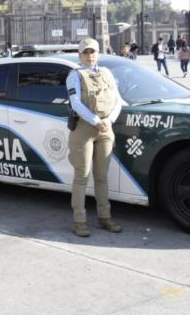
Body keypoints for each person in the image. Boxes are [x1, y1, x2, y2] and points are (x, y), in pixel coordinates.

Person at [66, 37, 123, 237]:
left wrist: (109, 121)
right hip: (84, 130)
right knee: (81, 177)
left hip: (106, 129)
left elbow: (118, 100)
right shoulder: (75, 75)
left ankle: (104, 218)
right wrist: (94, 120)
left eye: (93, 52)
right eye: (85, 52)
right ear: (80, 55)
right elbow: (75, 103)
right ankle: (79, 221)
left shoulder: (106, 73)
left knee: (102, 177)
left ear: (98, 53)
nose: (89, 56)